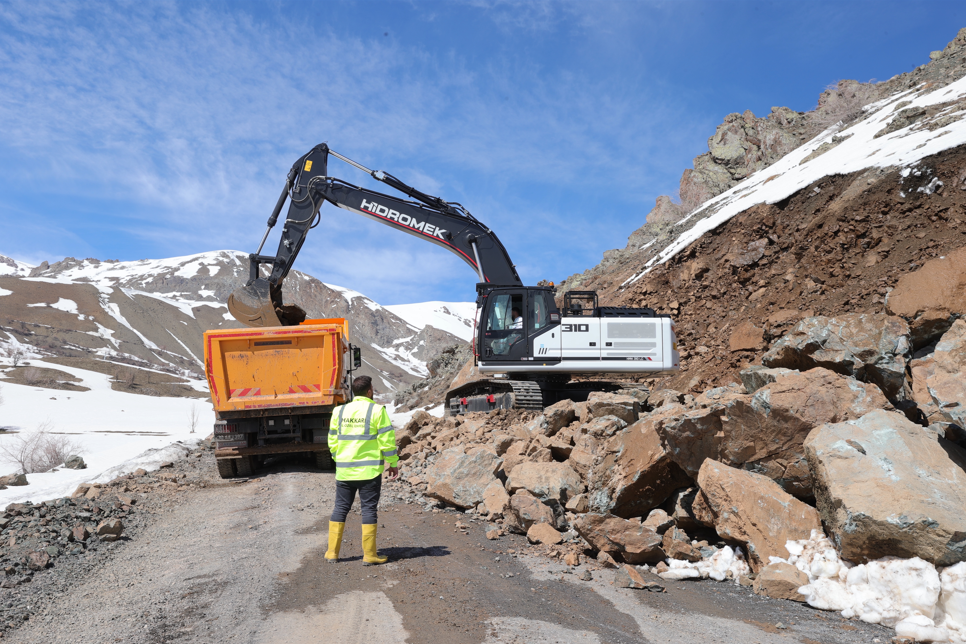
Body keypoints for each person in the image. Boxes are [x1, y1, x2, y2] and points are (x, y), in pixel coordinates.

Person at [324, 375, 399, 565]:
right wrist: (393, 463)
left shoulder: (339, 412)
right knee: (368, 509)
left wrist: (337, 458)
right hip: (369, 473)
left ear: (353, 392)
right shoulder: (377, 411)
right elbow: (387, 440)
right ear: (370, 391)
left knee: (340, 508)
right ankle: (369, 555)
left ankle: (332, 553)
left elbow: (332, 440)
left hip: (345, 471)